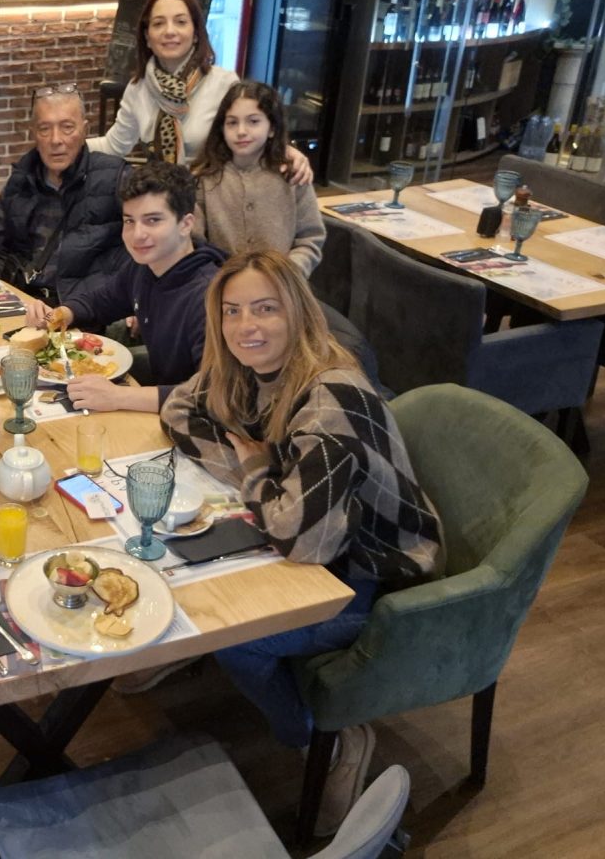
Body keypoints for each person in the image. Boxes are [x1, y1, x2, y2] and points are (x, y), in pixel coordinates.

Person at [161, 250, 444, 836]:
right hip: (320, 543)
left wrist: (255, 472)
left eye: (265, 309)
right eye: (233, 311)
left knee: (236, 637)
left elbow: (300, 539)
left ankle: (324, 737)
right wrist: (257, 474)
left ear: (297, 312)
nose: (246, 326)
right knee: (184, 567)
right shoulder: (247, 369)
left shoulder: (329, 397)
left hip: (374, 575)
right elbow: (179, 408)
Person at [23, 160, 223, 412]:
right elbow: (100, 301)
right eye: (129, 221)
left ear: (186, 224)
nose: (137, 234)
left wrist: (119, 397)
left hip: (198, 421)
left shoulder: (210, 295)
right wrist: (59, 315)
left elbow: (213, 394)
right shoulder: (144, 267)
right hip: (163, 402)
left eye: (153, 220)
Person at [87, 0, 313, 185]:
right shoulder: (138, 89)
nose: (170, 31)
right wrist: (70, 141)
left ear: (196, 33)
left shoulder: (224, 84)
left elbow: (252, 136)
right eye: (158, 23)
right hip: (162, 199)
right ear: (147, 37)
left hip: (215, 197)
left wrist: (287, 151)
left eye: (180, 22)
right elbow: (114, 146)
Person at [0, 86, 130, 307]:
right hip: (27, 303)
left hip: (90, 309)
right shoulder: (20, 181)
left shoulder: (115, 178)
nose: (55, 139)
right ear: (33, 133)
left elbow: (149, 248)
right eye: (44, 129)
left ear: (85, 130)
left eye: (67, 127)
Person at [192, 81, 326, 277]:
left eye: (253, 121)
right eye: (232, 123)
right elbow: (195, 242)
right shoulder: (205, 177)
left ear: (272, 128)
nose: (241, 131)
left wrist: (284, 275)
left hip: (280, 285)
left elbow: (310, 239)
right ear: (221, 128)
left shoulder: (293, 175)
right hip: (220, 284)